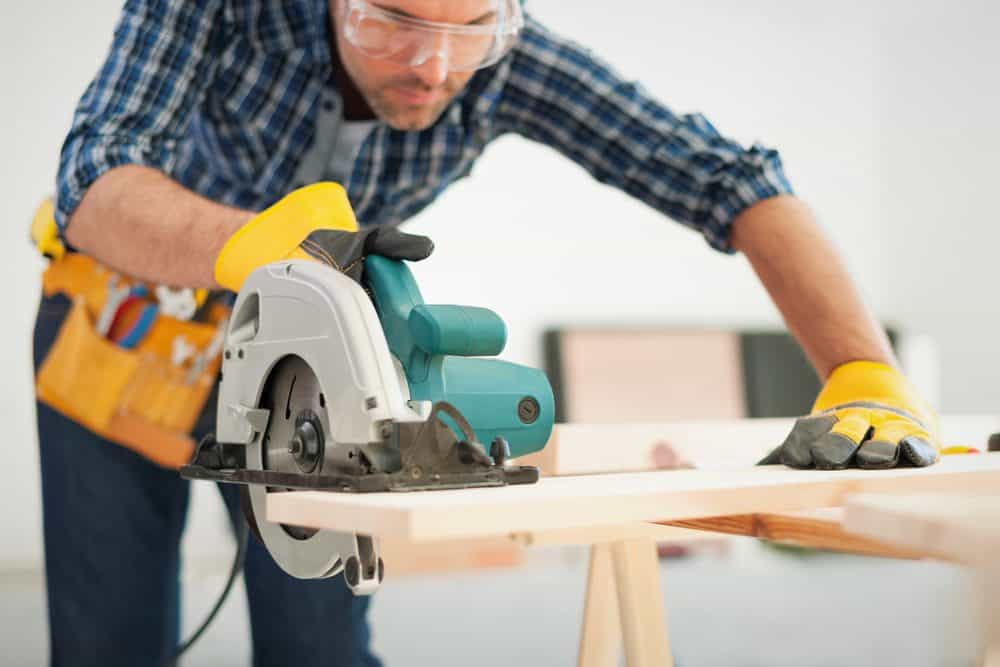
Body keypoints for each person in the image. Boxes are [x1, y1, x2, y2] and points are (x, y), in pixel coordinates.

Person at [36, 0, 942, 664]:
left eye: (470, 30)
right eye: (392, 21)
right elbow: (93, 177)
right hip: (122, 325)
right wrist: (248, 242)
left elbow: (731, 180)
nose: (433, 66)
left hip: (310, 363)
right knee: (108, 639)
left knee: (321, 646)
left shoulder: (511, 58)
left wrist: (862, 368)